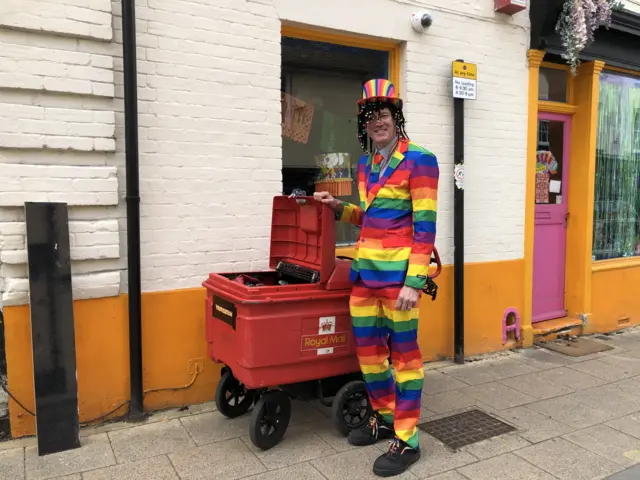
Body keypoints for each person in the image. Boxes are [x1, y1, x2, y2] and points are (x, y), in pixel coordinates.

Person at [314, 78, 439, 477]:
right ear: (363, 124)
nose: (377, 122)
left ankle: (408, 439)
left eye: (383, 114)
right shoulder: (367, 164)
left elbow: (425, 228)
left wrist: (414, 283)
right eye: (370, 116)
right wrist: (339, 207)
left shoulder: (421, 160)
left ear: (396, 117)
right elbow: (371, 218)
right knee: (369, 357)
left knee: (405, 359)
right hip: (364, 276)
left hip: (399, 281)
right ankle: (385, 417)